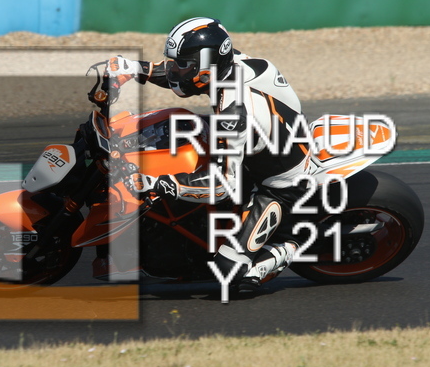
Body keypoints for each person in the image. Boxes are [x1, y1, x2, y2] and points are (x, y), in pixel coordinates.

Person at [104, 17, 308, 289]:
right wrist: (133, 68)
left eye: (184, 64)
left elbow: (222, 186)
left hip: (278, 185)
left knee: (230, 273)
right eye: (177, 62)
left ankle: (290, 245)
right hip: (259, 144)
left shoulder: (234, 113)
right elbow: (181, 76)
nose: (176, 69)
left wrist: (159, 183)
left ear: (207, 65)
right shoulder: (231, 64)